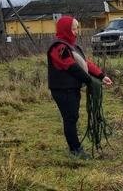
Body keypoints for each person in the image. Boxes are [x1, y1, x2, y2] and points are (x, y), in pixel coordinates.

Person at [47, 16, 113, 159]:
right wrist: (90, 81)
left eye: (77, 28)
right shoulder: (59, 47)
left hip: (72, 88)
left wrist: (101, 76)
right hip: (62, 89)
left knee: (73, 117)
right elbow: (71, 66)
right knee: (70, 118)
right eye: (74, 28)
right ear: (66, 29)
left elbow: (85, 64)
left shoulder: (72, 46)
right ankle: (75, 149)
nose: (77, 31)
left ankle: (75, 147)